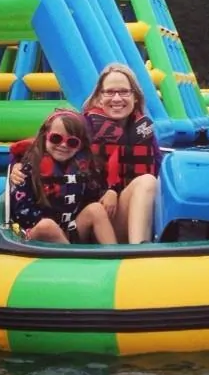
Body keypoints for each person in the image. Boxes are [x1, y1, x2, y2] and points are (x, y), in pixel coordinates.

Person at [10, 63, 162, 244]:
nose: (116, 98)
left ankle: (138, 249)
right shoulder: (81, 127)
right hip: (89, 218)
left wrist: (113, 191)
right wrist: (16, 164)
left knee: (148, 181)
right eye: (109, 92)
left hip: (123, 216)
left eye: (124, 92)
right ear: (98, 97)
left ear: (135, 97)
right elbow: (40, 146)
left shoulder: (144, 133)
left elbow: (160, 169)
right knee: (97, 209)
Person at [9, 109, 117, 245]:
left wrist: (111, 192)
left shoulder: (85, 168)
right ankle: (73, 262)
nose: (63, 145)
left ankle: (115, 255)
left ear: (80, 146)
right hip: (35, 233)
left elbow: (95, 194)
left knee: (96, 209)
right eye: (56, 138)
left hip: (69, 230)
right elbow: (20, 212)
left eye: (72, 142)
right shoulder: (27, 168)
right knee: (48, 226)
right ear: (45, 136)